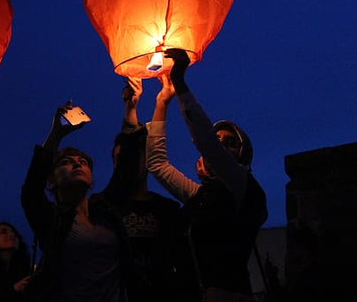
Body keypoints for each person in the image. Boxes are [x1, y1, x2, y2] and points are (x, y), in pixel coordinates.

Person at [146, 49, 268, 302]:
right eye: (219, 139)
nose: (222, 145)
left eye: (231, 143)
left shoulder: (242, 186)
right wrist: (161, 103)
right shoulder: (201, 195)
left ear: (244, 154)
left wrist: (179, 81)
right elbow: (157, 164)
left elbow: (207, 143)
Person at [20, 101, 137, 302]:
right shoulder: (52, 219)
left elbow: (126, 170)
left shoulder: (105, 211)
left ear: (91, 181)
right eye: (65, 163)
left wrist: (130, 109)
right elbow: (30, 191)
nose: (76, 164)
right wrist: (56, 134)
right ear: (52, 182)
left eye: (83, 162)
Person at [103, 78, 196, 302]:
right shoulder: (103, 207)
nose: (125, 162)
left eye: (134, 156)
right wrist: (130, 108)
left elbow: (184, 264)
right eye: (119, 159)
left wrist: (158, 103)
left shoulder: (168, 210)